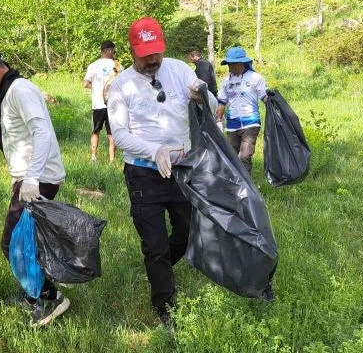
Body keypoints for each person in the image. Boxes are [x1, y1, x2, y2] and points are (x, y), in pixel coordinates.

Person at [106, 17, 216, 328]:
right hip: (144, 174)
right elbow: (121, 133)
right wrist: (153, 150)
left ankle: (162, 266)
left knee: (188, 231)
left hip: (182, 169)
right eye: (145, 54)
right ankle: (165, 305)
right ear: (131, 50)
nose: (153, 59)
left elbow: (211, 105)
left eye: (157, 52)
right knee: (154, 244)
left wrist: (201, 93)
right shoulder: (121, 85)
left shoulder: (179, 69)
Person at [0, 46, 68, 328]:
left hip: (38, 179)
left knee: (14, 244)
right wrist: (20, 176)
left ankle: (49, 299)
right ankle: (37, 295)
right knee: (26, 241)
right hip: (30, 178)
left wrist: (31, 178)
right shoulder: (7, 92)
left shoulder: (20, 90)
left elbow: (42, 131)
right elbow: (18, 139)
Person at [215, 46, 268, 174]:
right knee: (232, 157)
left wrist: (276, 114)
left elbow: (265, 98)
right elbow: (222, 101)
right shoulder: (226, 81)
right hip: (232, 124)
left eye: (232, 64)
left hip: (251, 122)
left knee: (244, 156)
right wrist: (218, 120)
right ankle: (236, 185)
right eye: (228, 64)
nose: (229, 67)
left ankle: (247, 189)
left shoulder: (255, 78)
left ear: (241, 63)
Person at [83, 40, 121, 164]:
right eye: (113, 51)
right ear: (109, 51)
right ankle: (112, 160)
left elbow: (85, 83)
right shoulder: (118, 66)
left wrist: (97, 89)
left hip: (98, 104)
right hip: (113, 105)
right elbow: (123, 85)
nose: (114, 54)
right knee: (112, 133)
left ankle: (93, 157)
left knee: (96, 130)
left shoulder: (93, 65)